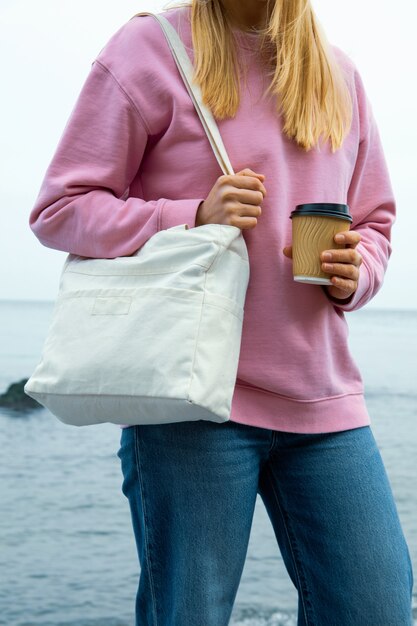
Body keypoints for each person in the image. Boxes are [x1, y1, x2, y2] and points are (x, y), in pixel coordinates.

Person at [28, 0, 414, 624]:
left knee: (380, 609)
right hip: (189, 400)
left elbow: (373, 223)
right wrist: (189, 216)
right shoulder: (149, 48)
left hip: (324, 399)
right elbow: (60, 210)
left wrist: (355, 273)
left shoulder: (339, 75)